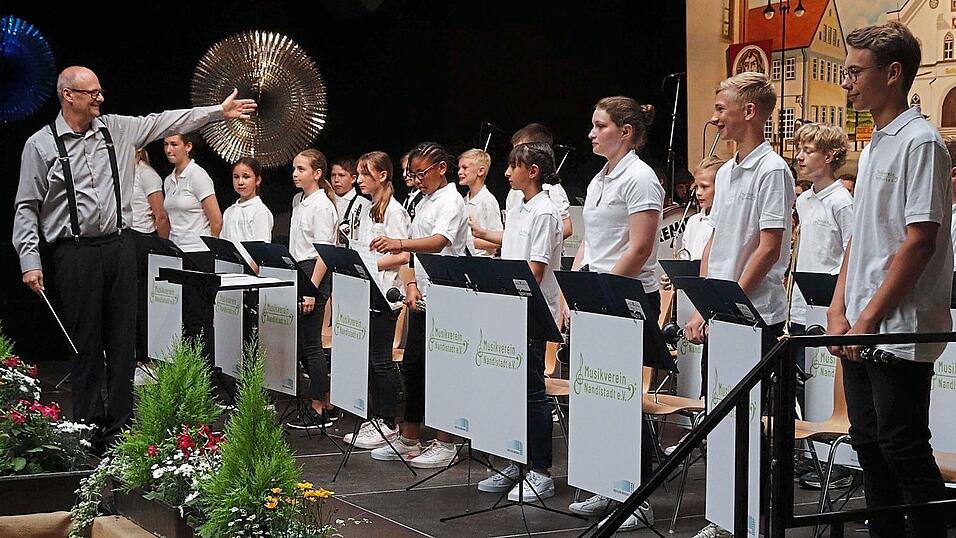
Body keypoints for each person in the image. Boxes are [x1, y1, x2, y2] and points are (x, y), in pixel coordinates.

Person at [13, 66, 255, 452]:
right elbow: (27, 206)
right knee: (86, 344)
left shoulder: (116, 130)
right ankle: (88, 428)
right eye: (91, 93)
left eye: (100, 91)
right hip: (73, 253)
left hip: (119, 247)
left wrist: (217, 111)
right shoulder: (40, 145)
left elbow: (163, 121)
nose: (100, 99)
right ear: (68, 96)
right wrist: (30, 259)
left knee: (124, 340)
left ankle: (121, 426)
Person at [828, 22, 952, 537]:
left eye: (856, 72)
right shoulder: (877, 142)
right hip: (862, 321)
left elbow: (919, 240)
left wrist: (871, 317)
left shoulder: (921, 143)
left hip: (897, 326)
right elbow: (859, 238)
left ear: (893, 73)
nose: (847, 82)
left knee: (902, 446)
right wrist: (839, 308)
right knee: (869, 444)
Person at [684, 72, 795, 538]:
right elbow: (716, 241)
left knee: (757, 427)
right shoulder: (726, 171)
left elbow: (770, 246)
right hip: (723, 313)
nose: (714, 118)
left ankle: (755, 519)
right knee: (721, 419)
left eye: (721, 108)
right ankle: (726, 515)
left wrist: (729, 303)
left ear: (749, 111)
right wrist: (703, 302)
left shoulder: (773, 171)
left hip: (755, 316)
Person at [567, 96, 663, 531]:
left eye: (599, 125)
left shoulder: (640, 178)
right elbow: (589, 242)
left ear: (625, 131)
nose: (591, 133)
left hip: (626, 298)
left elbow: (640, 247)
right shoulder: (601, 176)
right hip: (597, 295)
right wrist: (574, 288)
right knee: (597, 395)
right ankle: (608, 485)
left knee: (625, 399)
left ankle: (636, 496)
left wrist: (604, 292)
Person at [471, 143, 564, 502]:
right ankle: (514, 459)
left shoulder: (545, 212)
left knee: (531, 391)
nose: (507, 173)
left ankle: (539, 471)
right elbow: (510, 248)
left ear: (534, 171)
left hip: (530, 312)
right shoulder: (520, 206)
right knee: (508, 389)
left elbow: (535, 271)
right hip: (507, 309)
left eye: (514, 167)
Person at [370, 141, 468, 468]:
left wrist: (397, 242)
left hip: (450, 297)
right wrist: (410, 284)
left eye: (422, 173)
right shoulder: (421, 201)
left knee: (444, 372)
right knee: (413, 366)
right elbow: (414, 255)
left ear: (442, 168)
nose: (417, 179)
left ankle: (446, 441)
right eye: (413, 173)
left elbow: (439, 243)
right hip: (423, 297)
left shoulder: (452, 201)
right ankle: (409, 435)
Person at [341, 151, 410, 451]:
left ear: (382, 176)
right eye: (357, 174)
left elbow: (405, 253)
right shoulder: (364, 208)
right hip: (365, 291)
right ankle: (375, 417)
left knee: (382, 361)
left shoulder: (395, 211)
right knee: (368, 359)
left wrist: (374, 264)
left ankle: (389, 422)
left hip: (386, 295)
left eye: (365, 174)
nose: (359, 180)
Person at [285, 149, 338, 430]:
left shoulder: (322, 206)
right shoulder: (299, 200)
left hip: (313, 275)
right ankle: (325, 399)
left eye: (302, 169)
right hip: (299, 270)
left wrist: (311, 290)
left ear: (317, 173)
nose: (295, 174)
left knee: (312, 344)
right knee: (304, 344)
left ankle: (321, 407)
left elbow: (323, 253)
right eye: (294, 169)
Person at [130, 147, 168, 373]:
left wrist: (162, 248)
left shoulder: (147, 174)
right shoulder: (126, 172)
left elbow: (160, 215)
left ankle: (147, 357)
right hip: (126, 239)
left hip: (143, 240)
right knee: (130, 301)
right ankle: (133, 356)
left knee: (144, 301)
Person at [505, 123, 573, 239]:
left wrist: (536, 242)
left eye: (520, 149)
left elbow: (566, 228)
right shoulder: (514, 190)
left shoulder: (551, 188)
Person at [163, 132, 222, 252]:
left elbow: (216, 220)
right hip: (175, 249)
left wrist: (212, 251)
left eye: (174, 144)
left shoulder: (198, 175)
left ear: (188, 146)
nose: (169, 150)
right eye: (166, 144)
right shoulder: (168, 180)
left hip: (198, 249)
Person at [458, 148, 502, 256]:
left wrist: (464, 242)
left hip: (482, 264)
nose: (459, 172)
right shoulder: (463, 201)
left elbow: (497, 241)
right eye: (459, 168)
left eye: (465, 168)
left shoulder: (488, 201)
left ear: (480, 171)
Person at [220, 157, 274, 243]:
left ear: (257, 180)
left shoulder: (260, 211)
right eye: (236, 177)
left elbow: (262, 248)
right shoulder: (228, 212)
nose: (240, 182)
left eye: (246, 177)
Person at [329, 156, 369, 244]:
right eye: (333, 175)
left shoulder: (365, 205)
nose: (336, 180)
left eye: (341, 175)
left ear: (353, 178)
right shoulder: (325, 201)